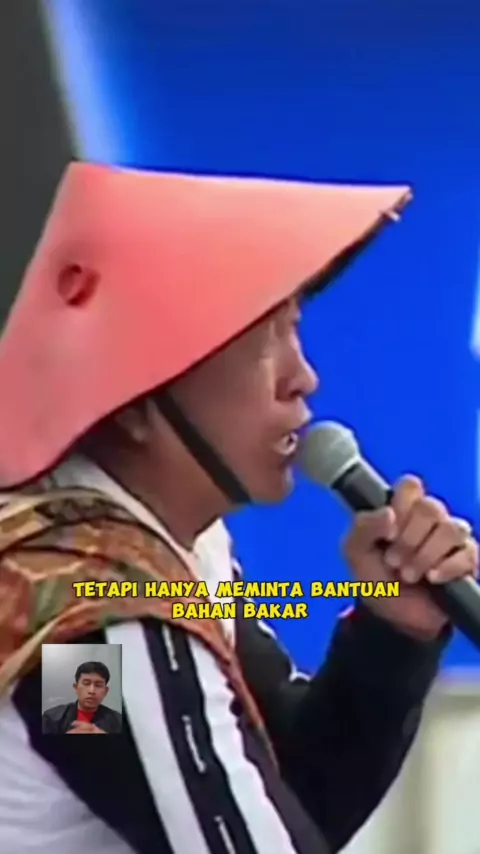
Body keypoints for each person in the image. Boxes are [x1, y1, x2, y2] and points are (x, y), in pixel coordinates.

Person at [0, 162, 477, 854]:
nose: (303, 377)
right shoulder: (96, 636)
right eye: (261, 343)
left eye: (294, 328)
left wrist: (392, 631)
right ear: (135, 404)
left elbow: (287, 794)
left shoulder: (152, 558)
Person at [42, 660, 122, 735]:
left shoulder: (119, 721)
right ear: (76, 688)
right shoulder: (51, 718)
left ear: (106, 691)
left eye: (98, 685)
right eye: (86, 683)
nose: (92, 691)